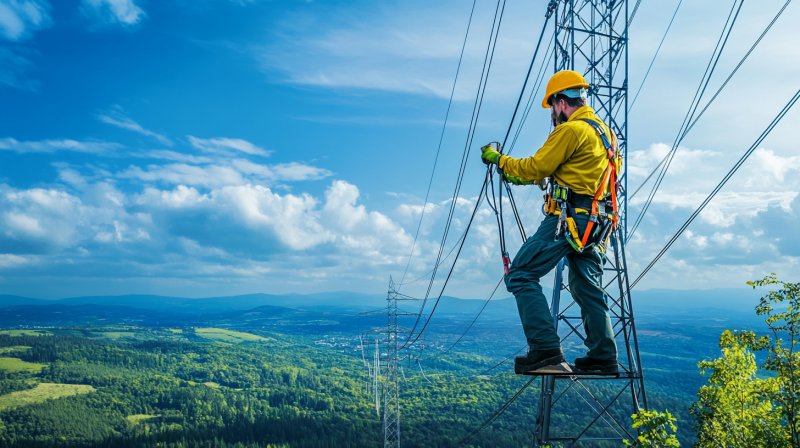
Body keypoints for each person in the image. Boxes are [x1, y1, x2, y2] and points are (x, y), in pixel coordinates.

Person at [479, 70, 620, 374]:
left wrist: (498, 160)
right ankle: (603, 356)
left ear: (559, 102)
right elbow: (564, 174)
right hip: (596, 224)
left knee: (520, 274)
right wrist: (518, 175)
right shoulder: (606, 134)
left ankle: (546, 351)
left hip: (566, 219)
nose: (553, 115)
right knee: (586, 286)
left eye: (553, 108)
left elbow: (536, 166)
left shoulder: (571, 130)